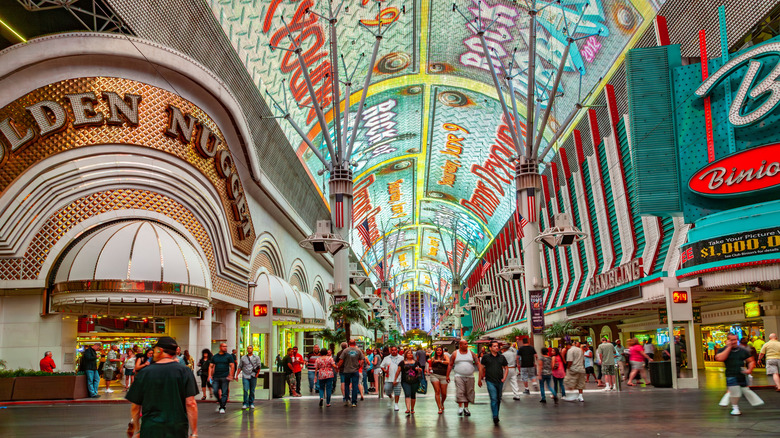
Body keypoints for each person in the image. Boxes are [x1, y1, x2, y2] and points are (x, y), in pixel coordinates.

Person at [126, 336, 198, 438]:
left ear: (160, 350)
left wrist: (138, 430)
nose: (153, 353)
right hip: (177, 428)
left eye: (155, 350)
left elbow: (135, 407)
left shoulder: (145, 373)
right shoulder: (185, 371)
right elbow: (191, 403)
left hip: (151, 428)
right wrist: (194, 432)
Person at [715, 333, 764, 416]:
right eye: (731, 340)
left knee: (744, 390)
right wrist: (729, 347)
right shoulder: (722, 350)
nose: (733, 342)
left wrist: (749, 369)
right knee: (735, 392)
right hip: (731, 374)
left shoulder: (742, 351)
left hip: (741, 374)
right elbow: (719, 358)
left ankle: (751, 402)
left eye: (735, 340)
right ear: (727, 341)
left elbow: (751, 361)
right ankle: (735, 407)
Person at [446, 339, 479, 417]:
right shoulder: (455, 353)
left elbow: (477, 363)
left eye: (467, 344)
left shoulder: (471, 353)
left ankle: (466, 408)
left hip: (470, 376)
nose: (466, 345)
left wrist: (481, 375)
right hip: (459, 375)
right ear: (460, 345)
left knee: (468, 391)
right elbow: (450, 364)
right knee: (460, 391)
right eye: (465, 344)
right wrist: (447, 375)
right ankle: (460, 407)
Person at [480, 341, 507, 425]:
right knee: (494, 398)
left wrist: (504, 378)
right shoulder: (486, 357)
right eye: (494, 346)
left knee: (498, 398)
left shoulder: (502, 357)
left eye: (497, 346)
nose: (496, 347)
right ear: (490, 348)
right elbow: (481, 368)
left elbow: (506, 368)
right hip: (490, 381)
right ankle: (495, 416)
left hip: (499, 381)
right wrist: (479, 379)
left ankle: (496, 414)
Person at [336, 339, 365, 407]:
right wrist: (359, 366)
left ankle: (347, 399)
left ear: (349, 343)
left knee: (346, 385)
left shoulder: (345, 350)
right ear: (355, 343)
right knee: (355, 386)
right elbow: (362, 360)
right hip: (355, 371)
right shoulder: (358, 350)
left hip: (347, 370)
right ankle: (354, 402)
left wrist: (338, 367)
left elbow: (341, 360)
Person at [208, 342, 235, 414]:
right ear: (220, 347)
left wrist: (231, 375)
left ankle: (222, 407)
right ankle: (220, 402)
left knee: (224, 392)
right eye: (223, 346)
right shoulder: (215, 357)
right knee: (215, 391)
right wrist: (209, 376)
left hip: (225, 377)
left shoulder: (229, 356)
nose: (225, 348)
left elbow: (232, 366)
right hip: (216, 377)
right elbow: (210, 366)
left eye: (226, 346)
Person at [395, 349, 424, 415]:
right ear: (406, 355)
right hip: (405, 381)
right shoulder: (402, 362)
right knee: (407, 393)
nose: (410, 354)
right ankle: (408, 408)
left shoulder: (416, 362)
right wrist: (395, 379)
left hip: (415, 380)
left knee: (413, 394)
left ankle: (412, 408)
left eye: (411, 353)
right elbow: (398, 371)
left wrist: (418, 369)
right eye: (408, 353)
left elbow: (421, 369)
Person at [380, 345, 403, 411]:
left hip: (398, 378)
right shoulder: (386, 358)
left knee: (397, 391)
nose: (393, 351)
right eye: (392, 350)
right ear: (390, 351)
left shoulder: (401, 358)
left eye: (395, 350)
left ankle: (396, 404)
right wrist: (384, 370)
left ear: (397, 350)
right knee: (387, 390)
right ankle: (390, 397)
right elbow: (382, 365)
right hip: (388, 378)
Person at [238, 345, 262, 409]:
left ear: (252, 349)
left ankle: (251, 402)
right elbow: (240, 366)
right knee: (245, 389)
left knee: (252, 390)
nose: (249, 349)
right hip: (245, 375)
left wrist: (257, 374)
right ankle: (245, 403)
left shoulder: (256, 357)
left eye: (250, 348)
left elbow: (259, 366)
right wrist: (236, 375)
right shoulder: (243, 358)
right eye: (248, 348)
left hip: (253, 375)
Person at [428, 346, 450, 414]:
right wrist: (429, 369)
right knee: (437, 391)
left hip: (443, 375)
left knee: (444, 393)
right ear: (435, 351)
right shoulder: (432, 358)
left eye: (440, 350)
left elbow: (448, 363)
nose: (439, 351)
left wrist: (440, 361)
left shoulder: (445, 356)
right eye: (437, 350)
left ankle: (442, 402)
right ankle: (439, 407)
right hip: (434, 375)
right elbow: (430, 366)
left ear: (442, 351)